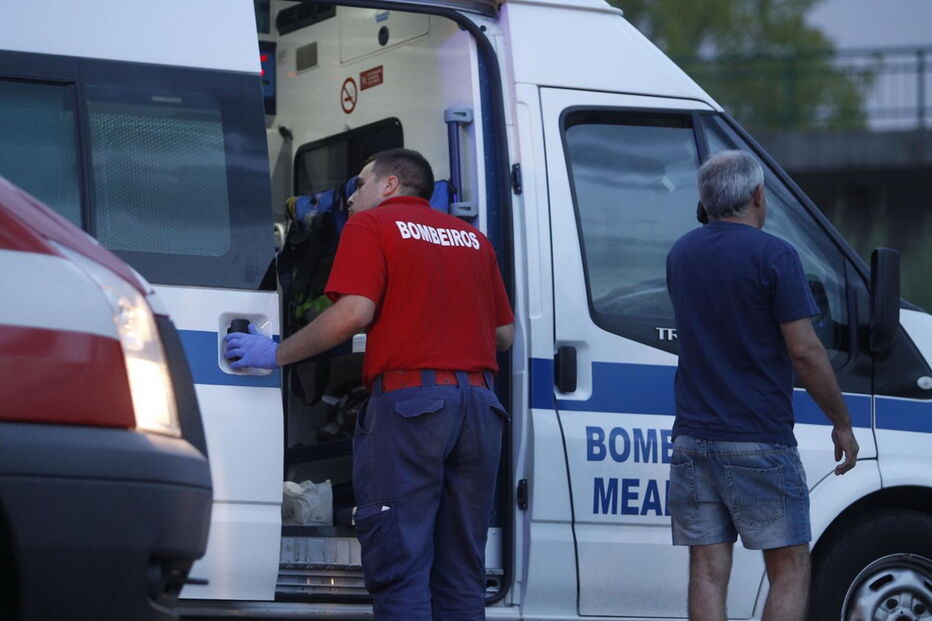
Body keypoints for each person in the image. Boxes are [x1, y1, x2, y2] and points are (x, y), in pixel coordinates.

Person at [224, 148, 514, 620]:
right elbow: (504, 334)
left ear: (390, 185)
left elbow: (354, 313)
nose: (352, 197)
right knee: (462, 572)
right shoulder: (472, 239)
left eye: (359, 184)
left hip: (412, 409)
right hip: (480, 410)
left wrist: (276, 353)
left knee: (401, 567)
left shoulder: (372, 226)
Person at [665, 150, 859, 621]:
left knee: (707, 568)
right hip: (758, 437)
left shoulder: (681, 254)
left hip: (692, 438)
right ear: (757, 195)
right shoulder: (775, 255)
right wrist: (841, 423)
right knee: (790, 566)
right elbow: (805, 351)